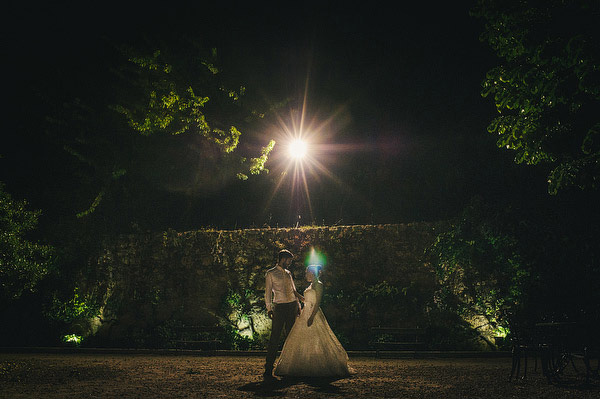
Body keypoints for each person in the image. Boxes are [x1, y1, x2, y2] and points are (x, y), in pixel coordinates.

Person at [273, 264, 351, 378]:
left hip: (313, 313)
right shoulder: (310, 285)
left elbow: (317, 302)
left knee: (317, 337)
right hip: (306, 312)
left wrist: (312, 317)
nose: (305, 275)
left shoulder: (319, 285)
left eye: (307, 272)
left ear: (312, 273)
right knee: (302, 339)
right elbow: (306, 300)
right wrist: (296, 294)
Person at [264, 249, 303, 379]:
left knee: (290, 337)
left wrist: (298, 304)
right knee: (275, 337)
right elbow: (268, 292)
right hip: (279, 307)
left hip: (291, 305)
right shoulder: (271, 273)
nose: (290, 263)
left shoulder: (288, 273)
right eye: (289, 260)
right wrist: (269, 309)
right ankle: (268, 368)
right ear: (283, 259)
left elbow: (293, 290)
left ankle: (290, 368)